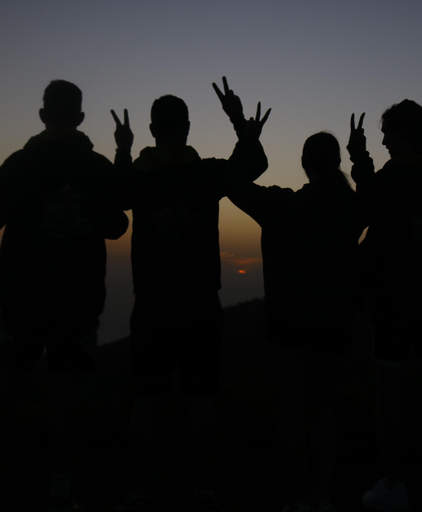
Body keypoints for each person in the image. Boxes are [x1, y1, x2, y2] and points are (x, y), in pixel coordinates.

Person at [0, 80, 129, 512]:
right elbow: (116, 226)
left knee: (9, 388)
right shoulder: (95, 167)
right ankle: (59, 491)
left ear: (42, 116)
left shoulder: (20, 165)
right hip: (78, 297)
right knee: (66, 394)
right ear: (79, 118)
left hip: (21, 297)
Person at [110, 78, 269, 512]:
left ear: (151, 128)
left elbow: (114, 192)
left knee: (147, 398)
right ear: (187, 128)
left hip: (152, 303)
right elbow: (253, 162)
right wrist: (239, 121)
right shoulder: (205, 173)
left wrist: (123, 147)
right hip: (200, 301)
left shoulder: (139, 178)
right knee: (200, 396)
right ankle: (203, 489)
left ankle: (139, 492)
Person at [226, 129, 364, 512]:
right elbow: (373, 198)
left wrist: (246, 136)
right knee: (323, 411)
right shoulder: (352, 207)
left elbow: (234, 184)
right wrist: (361, 158)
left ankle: (299, 499)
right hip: (334, 324)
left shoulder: (280, 205)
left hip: (288, 326)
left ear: (304, 164)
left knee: (292, 408)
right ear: (337, 163)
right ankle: (324, 497)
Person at [348, 102, 422, 510]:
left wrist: (359, 157)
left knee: (389, 391)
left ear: (402, 133)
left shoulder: (393, 177)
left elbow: (364, 210)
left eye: (387, 133)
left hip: (395, 301)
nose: (383, 140)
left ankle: (394, 484)